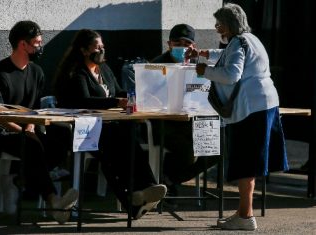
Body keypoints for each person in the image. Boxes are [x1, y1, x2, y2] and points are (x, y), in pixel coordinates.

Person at [186, 3, 288, 230]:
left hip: (251, 107)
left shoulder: (238, 42)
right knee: (249, 163)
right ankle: (245, 213)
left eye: (219, 24)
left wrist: (205, 71)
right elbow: (227, 55)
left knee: (245, 162)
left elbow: (232, 74)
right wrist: (204, 53)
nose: (217, 28)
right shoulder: (250, 39)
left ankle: (245, 216)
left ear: (229, 24)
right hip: (266, 103)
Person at [54, 29, 167, 219]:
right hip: (84, 129)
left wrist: (135, 98)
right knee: (113, 147)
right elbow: (83, 101)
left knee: (123, 141)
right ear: (84, 50)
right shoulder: (77, 72)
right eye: (97, 47)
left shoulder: (104, 69)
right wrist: (115, 102)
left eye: (102, 46)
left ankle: (145, 189)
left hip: (109, 128)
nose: (101, 50)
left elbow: (119, 92)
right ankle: (135, 195)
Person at [0, 20, 78, 224]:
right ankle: (54, 201)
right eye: (36, 43)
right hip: (3, 134)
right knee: (32, 144)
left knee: (62, 138)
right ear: (23, 44)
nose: (40, 47)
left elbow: (31, 110)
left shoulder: (36, 73)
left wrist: (31, 127)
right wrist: (23, 131)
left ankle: (21, 179)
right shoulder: (0, 73)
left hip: (26, 130)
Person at [150, 24, 219, 197]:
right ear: (169, 44)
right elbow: (148, 97)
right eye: (177, 42)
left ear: (193, 47)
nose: (182, 47)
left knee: (218, 148)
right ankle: (168, 182)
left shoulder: (199, 67)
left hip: (193, 122)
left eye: (186, 43)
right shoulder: (156, 65)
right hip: (165, 123)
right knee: (187, 149)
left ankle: (171, 179)